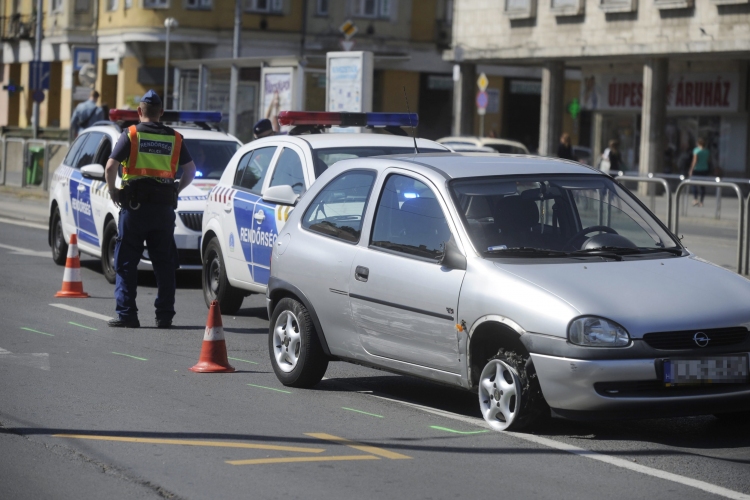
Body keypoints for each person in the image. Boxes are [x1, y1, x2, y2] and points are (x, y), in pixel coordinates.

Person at [104, 90, 197, 328]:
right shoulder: (175, 138)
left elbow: (110, 166)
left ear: (139, 112)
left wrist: (114, 191)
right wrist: (176, 190)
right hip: (163, 209)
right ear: (161, 113)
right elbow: (191, 170)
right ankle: (164, 316)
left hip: (134, 209)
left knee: (126, 262)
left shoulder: (131, 134)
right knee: (164, 264)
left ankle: (127, 315)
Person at [689, 137, 711, 207]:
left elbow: (695, 161)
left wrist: (691, 169)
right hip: (704, 169)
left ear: (698, 143)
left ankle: (695, 199)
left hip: (697, 169)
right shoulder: (707, 151)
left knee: (693, 184)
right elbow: (708, 161)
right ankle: (701, 201)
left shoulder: (696, 150)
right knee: (702, 186)